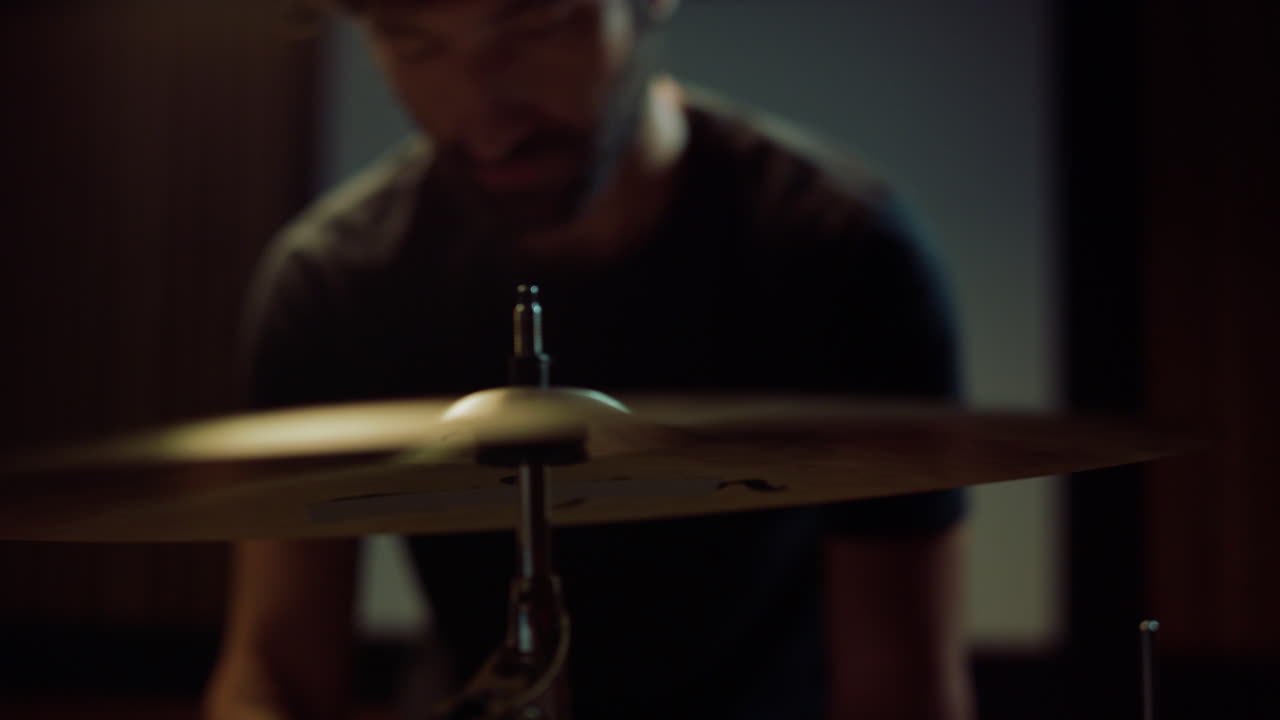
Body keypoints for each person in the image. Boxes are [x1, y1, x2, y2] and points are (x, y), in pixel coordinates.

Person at [204, 1, 974, 719]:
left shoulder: (845, 256)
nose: (486, 112)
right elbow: (278, 664)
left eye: (538, 23)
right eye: (416, 42)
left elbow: (900, 685)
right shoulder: (334, 285)